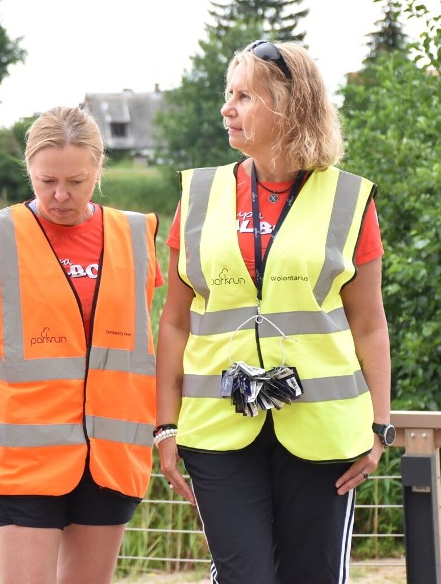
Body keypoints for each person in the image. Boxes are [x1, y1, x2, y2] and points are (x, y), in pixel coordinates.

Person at [155, 40, 392, 584]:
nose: (227, 108)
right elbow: (173, 319)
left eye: (244, 97)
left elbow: (370, 323)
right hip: (218, 429)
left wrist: (379, 426)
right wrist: (164, 427)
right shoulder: (198, 195)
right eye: (227, 94)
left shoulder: (349, 199)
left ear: (288, 105)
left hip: (324, 431)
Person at [0, 106, 163, 584]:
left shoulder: (134, 236)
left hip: (109, 458)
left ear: (99, 170)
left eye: (76, 181)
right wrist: (16, 409)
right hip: (21, 459)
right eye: (47, 181)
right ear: (29, 170)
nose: (60, 195)